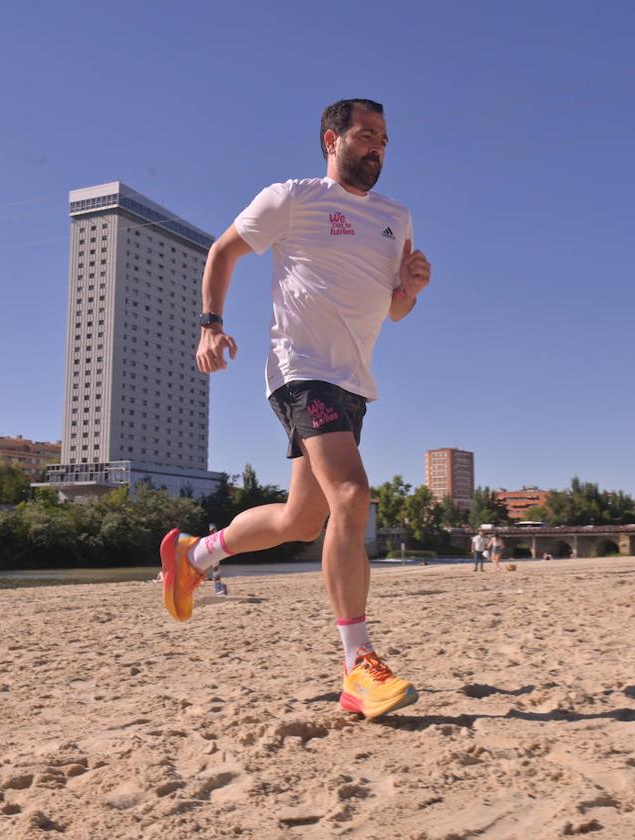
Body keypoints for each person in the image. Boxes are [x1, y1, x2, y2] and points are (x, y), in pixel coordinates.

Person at [159, 99, 431, 721]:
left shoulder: (397, 216)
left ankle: (194, 555)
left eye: (385, 139)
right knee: (352, 496)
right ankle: (358, 665)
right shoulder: (292, 198)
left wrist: (410, 288)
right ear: (332, 139)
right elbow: (223, 252)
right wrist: (209, 326)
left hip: (353, 381)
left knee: (303, 519)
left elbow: (394, 310)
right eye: (366, 135)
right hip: (301, 370)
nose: (378, 148)